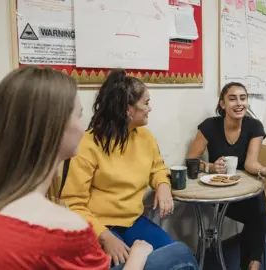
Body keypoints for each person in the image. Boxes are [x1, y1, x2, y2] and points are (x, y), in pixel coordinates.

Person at [0, 66, 152, 269]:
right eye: (78, 116)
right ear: (55, 130)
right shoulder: (65, 228)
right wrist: (138, 256)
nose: (83, 126)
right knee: (177, 255)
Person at [61, 70, 179, 267]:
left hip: (133, 222)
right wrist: (105, 236)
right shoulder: (88, 144)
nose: (150, 109)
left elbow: (157, 167)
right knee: (128, 265)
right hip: (99, 226)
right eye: (146, 103)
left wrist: (163, 184)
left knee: (177, 256)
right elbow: (73, 204)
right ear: (128, 110)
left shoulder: (145, 137)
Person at [188, 82, 266, 270]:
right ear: (222, 104)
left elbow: (250, 164)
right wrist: (211, 167)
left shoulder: (254, 126)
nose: (239, 103)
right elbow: (191, 161)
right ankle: (252, 265)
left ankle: (252, 264)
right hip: (220, 194)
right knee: (258, 216)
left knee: (259, 211)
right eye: (232, 98)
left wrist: (265, 171)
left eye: (243, 98)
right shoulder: (209, 126)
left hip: (247, 191)